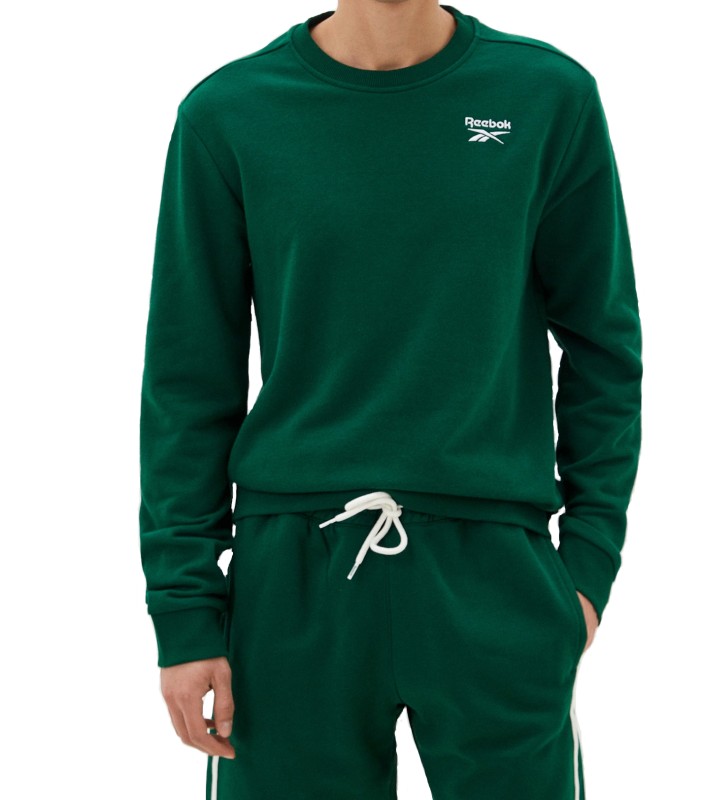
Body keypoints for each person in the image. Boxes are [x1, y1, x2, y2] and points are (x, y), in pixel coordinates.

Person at [138, 2, 643, 798]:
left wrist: (585, 568)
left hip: (496, 572)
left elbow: (604, 348)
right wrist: (185, 610)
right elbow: (187, 381)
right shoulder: (229, 114)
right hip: (294, 578)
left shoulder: (547, 96)